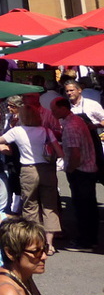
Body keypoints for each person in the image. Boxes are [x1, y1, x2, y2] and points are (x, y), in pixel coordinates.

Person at [0, 106, 62, 254]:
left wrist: (8, 150)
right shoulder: (45, 131)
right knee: (49, 206)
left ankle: (35, 241)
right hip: (46, 169)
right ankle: (49, 244)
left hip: (28, 169)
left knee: (30, 205)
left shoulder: (17, 131)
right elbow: (59, 151)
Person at [49, 96, 99, 250]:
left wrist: (70, 168)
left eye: (54, 110)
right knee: (89, 206)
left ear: (63, 108)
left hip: (81, 171)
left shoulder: (71, 126)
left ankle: (85, 240)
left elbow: (75, 153)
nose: (52, 113)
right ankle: (91, 238)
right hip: (88, 169)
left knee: (83, 207)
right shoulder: (77, 121)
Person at [0, 219, 50, 295]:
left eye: (45, 249)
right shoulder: (7, 292)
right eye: (36, 251)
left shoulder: (25, 277)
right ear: (11, 253)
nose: (44, 256)